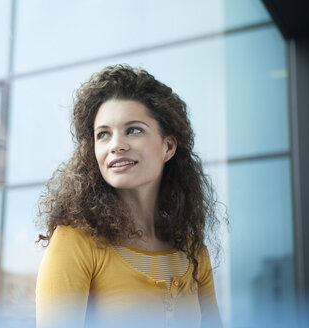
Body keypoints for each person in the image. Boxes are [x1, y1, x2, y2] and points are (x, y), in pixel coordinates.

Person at [35, 65, 225, 328]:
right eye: (103, 135)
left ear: (168, 146)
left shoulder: (194, 252)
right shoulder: (75, 243)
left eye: (133, 130)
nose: (116, 145)